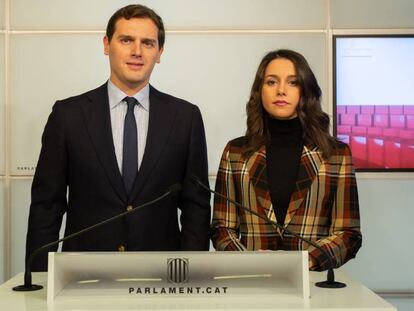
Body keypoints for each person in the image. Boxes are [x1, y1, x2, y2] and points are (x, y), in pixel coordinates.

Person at [25, 4, 210, 272]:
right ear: (106, 44)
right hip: (83, 276)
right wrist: (40, 278)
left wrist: (190, 274)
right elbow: (47, 205)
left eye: (148, 43)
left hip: (161, 279)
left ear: (159, 53)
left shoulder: (185, 117)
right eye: (126, 40)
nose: (137, 51)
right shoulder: (68, 116)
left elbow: (196, 208)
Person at [211, 49, 361, 271]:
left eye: (292, 82)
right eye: (272, 82)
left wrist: (306, 261)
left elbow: (348, 233)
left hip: (312, 284)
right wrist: (248, 261)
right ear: (259, 91)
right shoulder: (236, 152)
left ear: (305, 90)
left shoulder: (336, 154)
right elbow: (221, 228)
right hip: (251, 281)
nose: (281, 90)